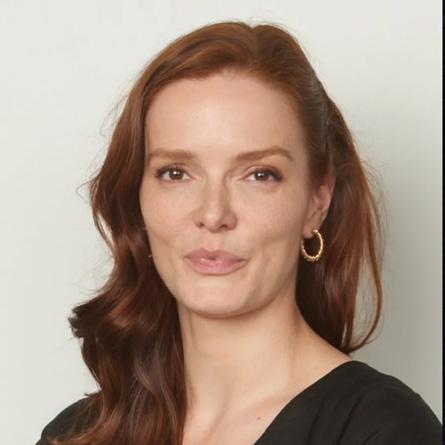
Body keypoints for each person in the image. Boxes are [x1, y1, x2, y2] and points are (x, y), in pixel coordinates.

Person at [36, 20, 442, 445]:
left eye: (259, 174)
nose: (213, 214)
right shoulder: (77, 433)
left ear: (317, 202)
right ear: (137, 198)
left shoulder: (384, 431)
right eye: (176, 173)